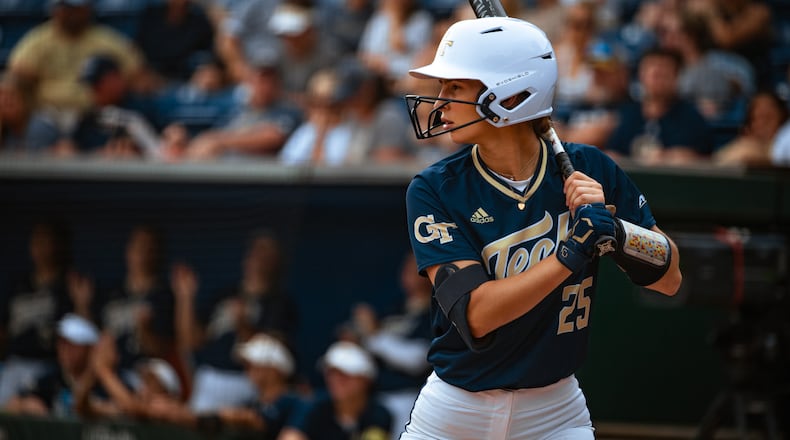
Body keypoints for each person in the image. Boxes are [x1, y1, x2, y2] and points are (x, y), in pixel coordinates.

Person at [400, 16, 682, 439]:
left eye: (454, 87)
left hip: (555, 411)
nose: (439, 101)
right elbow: (476, 314)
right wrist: (572, 252)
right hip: (457, 411)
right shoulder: (434, 188)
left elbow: (670, 275)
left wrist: (618, 234)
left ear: (509, 96)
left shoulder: (591, 168)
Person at [172, 230, 299, 413]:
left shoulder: (281, 304)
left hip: (248, 383)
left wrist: (243, 325)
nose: (258, 259)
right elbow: (189, 341)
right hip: (210, 378)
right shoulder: (225, 295)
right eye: (255, 251)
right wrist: (185, 298)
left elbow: (275, 354)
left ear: (276, 262)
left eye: (266, 254)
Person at [339, 252, 432, 440]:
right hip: (374, 398)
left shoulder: (436, 311)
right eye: (405, 266)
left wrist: (373, 335)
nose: (407, 271)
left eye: (414, 266)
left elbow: (417, 359)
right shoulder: (395, 308)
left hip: (408, 398)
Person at [7, 0, 144, 127]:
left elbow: (137, 76)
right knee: (39, 129)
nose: (72, 14)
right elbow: (16, 76)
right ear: (56, 10)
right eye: (67, 8)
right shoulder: (39, 41)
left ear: (87, 8)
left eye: (77, 8)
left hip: (95, 114)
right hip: (49, 115)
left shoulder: (106, 40)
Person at [605, 47, 715, 165]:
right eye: (649, 68)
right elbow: (614, 153)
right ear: (640, 75)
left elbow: (702, 161)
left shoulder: (691, 118)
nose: (655, 73)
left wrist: (670, 157)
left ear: (676, 76)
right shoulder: (628, 114)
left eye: (663, 69)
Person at [278, 341, 392, 440]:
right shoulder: (313, 405)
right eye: (331, 374)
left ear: (365, 380)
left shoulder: (379, 414)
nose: (336, 380)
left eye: (345, 375)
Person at [4, 313, 99, 418]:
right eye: (61, 342)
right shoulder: (52, 379)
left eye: (71, 344)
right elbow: (12, 404)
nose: (64, 350)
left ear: (89, 349)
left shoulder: (102, 382)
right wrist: (26, 405)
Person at [714, 90, 788, 166]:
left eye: (768, 118)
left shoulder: (784, 147)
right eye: (756, 118)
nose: (762, 124)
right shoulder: (743, 146)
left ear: (782, 120)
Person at [0, 71, 61, 155]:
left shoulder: (39, 127)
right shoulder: (7, 127)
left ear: (26, 99)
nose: (3, 102)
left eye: (11, 96)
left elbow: (30, 165)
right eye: (1, 95)